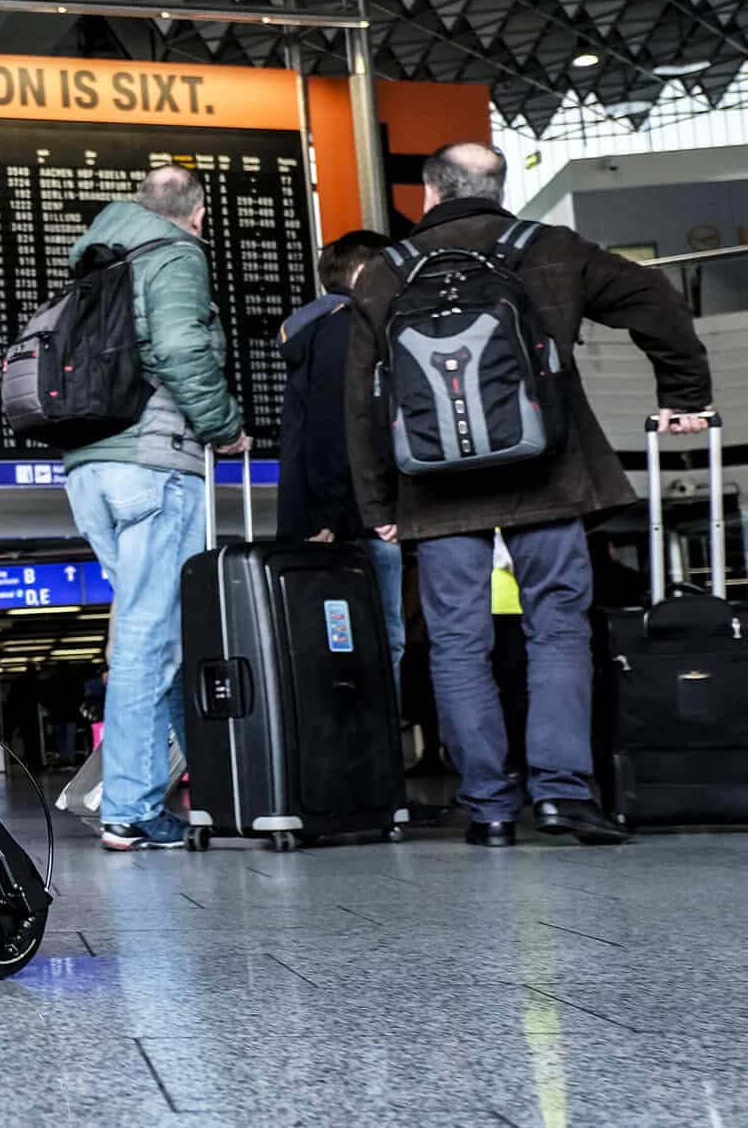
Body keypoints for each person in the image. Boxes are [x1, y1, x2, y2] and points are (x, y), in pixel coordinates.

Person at [346, 142, 713, 847]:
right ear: (498, 188)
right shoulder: (547, 248)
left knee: (457, 642)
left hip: (435, 487)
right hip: (546, 472)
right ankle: (562, 794)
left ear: (429, 192)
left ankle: (488, 806)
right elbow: (655, 298)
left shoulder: (386, 271)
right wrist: (684, 395)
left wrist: (378, 505)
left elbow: (361, 401)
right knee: (558, 627)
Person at [61, 166, 247, 850]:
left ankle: (196, 781)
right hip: (153, 462)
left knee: (153, 630)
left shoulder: (97, 261)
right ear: (197, 214)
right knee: (151, 636)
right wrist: (225, 424)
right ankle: (131, 807)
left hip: (90, 469)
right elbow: (178, 346)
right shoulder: (174, 253)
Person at [276, 230, 405, 693]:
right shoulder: (348, 330)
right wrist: (329, 515)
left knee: (334, 646)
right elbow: (338, 426)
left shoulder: (313, 330)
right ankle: (375, 737)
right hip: (356, 520)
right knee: (381, 641)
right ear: (364, 272)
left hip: (330, 516)